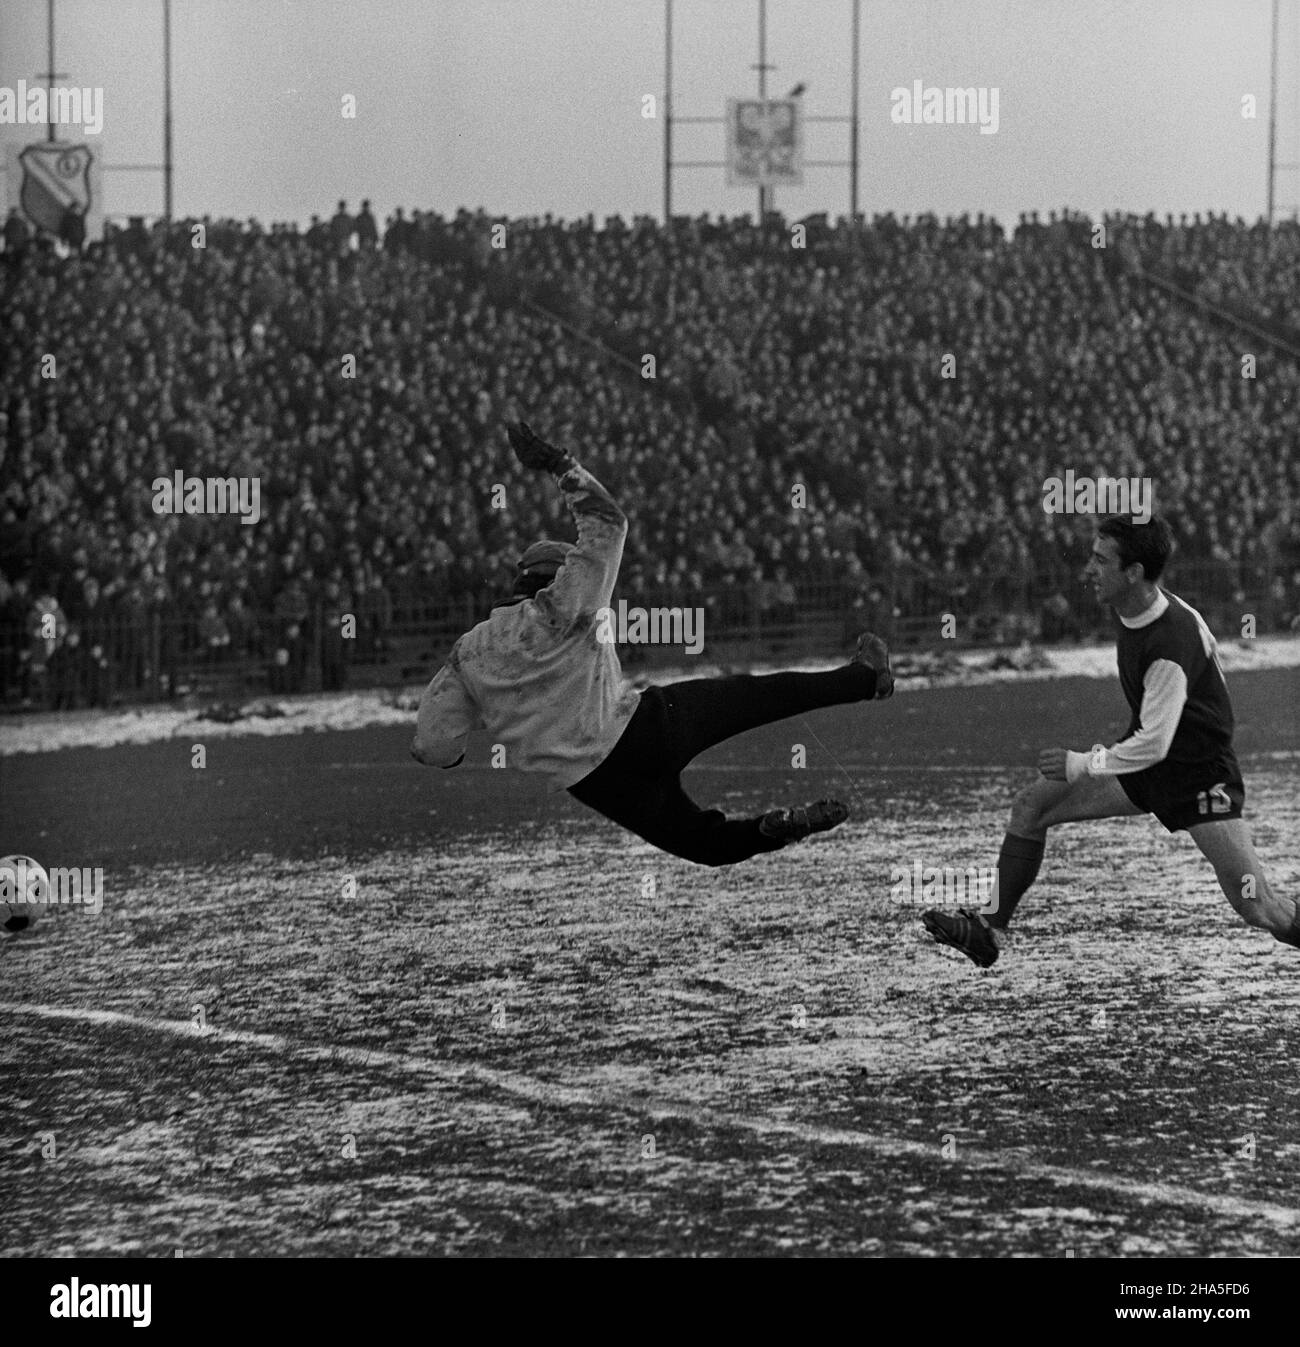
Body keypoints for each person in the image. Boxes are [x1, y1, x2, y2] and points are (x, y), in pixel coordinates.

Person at [412, 421, 895, 866]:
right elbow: (608, 522)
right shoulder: (567, 599)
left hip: (598, 785)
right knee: (765, 698)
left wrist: (491, 716)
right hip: (645, 727)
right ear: (553, 574)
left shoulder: (467, 656)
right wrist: (560, 464)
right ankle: (865, 678)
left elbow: (434, 747)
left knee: (706, 846)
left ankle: (773, 830)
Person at [923, 515, 1300, 966]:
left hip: (1199, 779)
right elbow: (1151, 743)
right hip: (1146, 767)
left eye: (1101, 560)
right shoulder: (1136, 609)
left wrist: (1083, 763)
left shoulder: (1169, 642)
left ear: (1134, 572)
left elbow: (1156, 743)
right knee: (1032, 807)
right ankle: (987, 930)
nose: (1089, 568)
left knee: (1256, 905)